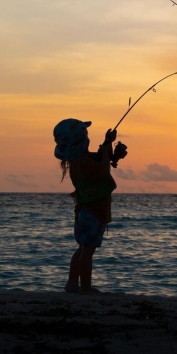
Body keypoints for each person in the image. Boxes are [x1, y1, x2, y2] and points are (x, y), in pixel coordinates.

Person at [53, 118, 122, 295]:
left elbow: (97, 159)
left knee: (82, 248)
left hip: (84, 212)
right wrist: (107, 154)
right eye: (85, 135)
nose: (88, 138)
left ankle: (71, 283)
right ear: (78, 140)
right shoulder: (82, 162)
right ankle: (85, 287)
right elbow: (103, 171)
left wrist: (107, 143)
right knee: (88, 251)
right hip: (92, 213)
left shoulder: (80, 160)